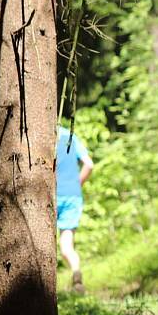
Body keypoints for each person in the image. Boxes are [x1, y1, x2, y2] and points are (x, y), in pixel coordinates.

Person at [56, 125, 94, 293]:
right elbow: (89, 164)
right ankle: (77, 276)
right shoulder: (69, 135)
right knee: (66, 246)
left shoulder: (42, 134)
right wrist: (75, 184)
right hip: (73, 195)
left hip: (51, 194)